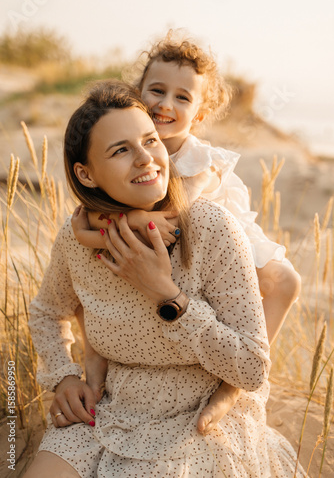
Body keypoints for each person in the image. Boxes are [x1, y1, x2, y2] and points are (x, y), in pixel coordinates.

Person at [25, 80, 306, 477]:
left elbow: (251, 368)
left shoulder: (212, 228)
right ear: (86, 175)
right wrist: (64, 377)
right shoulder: (78, 239)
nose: (145, 158)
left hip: (195, 419)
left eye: (150, 140)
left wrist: (166, 294)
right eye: (121, 150)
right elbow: (46, 312)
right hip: (108, 410)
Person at [71, 31, 301, 435]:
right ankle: (99, 366)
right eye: (157, 91)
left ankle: (233, 387)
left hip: (223, 232)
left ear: (199, 114)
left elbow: (170, 218)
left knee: (284, 280)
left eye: (183, 98)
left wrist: (91, 234)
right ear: (138, 93)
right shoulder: (124, 146)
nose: (165, 104)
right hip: (178, 243)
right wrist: (87, 229)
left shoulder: (198, 161)